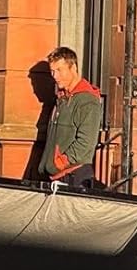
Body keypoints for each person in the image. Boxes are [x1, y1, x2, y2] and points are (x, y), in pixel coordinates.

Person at [38, 47, 102, 189]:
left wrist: (59, 163)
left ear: (73, 68)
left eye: (59, 70)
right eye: (52, 71)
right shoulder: (61, 99)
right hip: (55, 176)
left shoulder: (87, 101)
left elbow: (86, 143)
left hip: (74, 177)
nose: (55, 76)